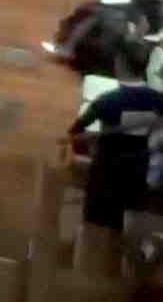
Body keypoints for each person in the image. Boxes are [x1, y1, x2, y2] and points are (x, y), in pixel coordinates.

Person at [66, 41, 163, 237]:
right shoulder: (158, 100)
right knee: (125, 228)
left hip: (105, 171)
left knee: (96, 228)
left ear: (120, 64)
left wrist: (89, 145)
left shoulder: (107, 100)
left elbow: (76, 131)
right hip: (137, 172)